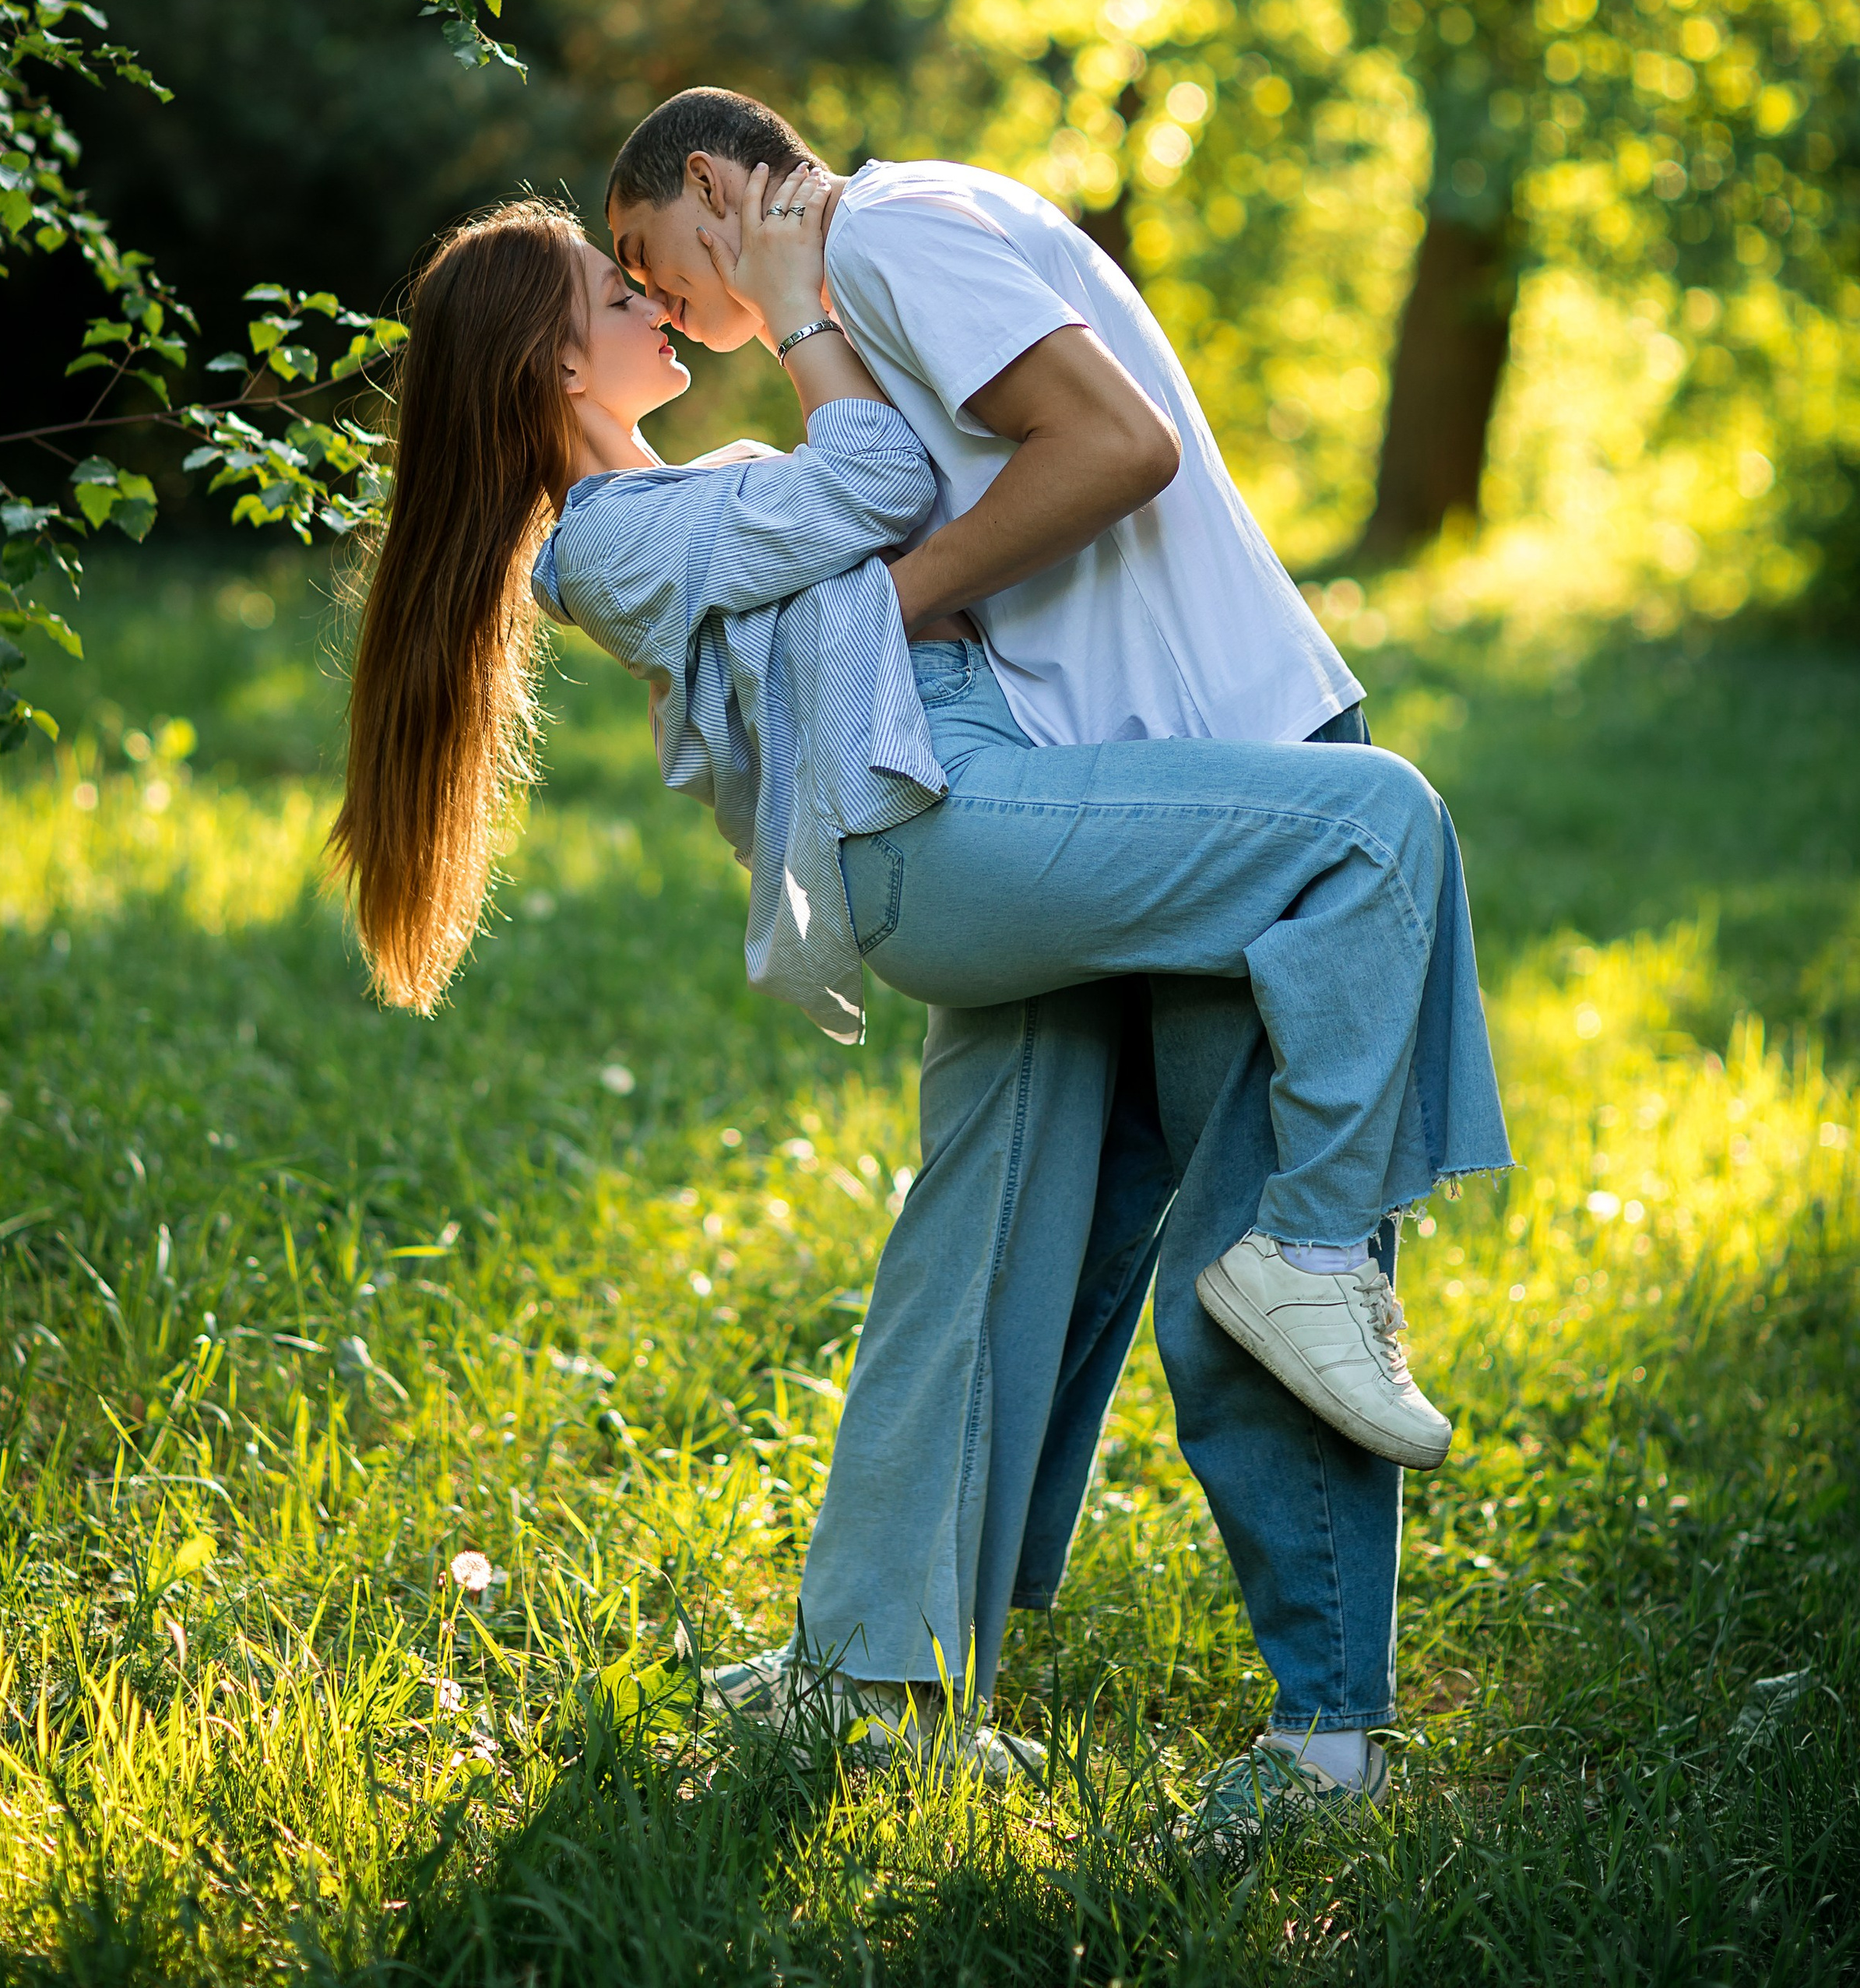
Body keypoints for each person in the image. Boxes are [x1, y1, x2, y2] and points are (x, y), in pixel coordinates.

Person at [333, 158, 1510, 1841]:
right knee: (1378, 825)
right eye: (616, 297)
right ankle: (1311, 1246)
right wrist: (808, 310)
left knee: (979, 1248)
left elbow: (869, 514)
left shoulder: (682, 498)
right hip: (940, 839)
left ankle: (871, 1672)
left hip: (955, 824)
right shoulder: (612, 539)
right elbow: (879, 471)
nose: (653, 305)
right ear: (548, 373)